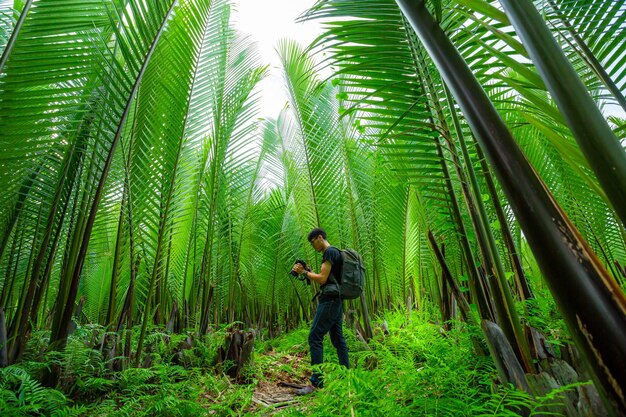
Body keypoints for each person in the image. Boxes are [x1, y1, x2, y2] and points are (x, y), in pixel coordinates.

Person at [291, 228, 350, 395]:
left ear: (320, 238)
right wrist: (308, 272)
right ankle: (347, 377)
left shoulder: (330, 252)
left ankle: (316, 383)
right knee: (338, 339)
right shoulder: (335, 252)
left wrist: (304, 272)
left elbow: (322, 278)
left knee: (314, 337)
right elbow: (325, 278)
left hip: (330, 301)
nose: (312, 246)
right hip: (336, 301)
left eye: (313, 242)